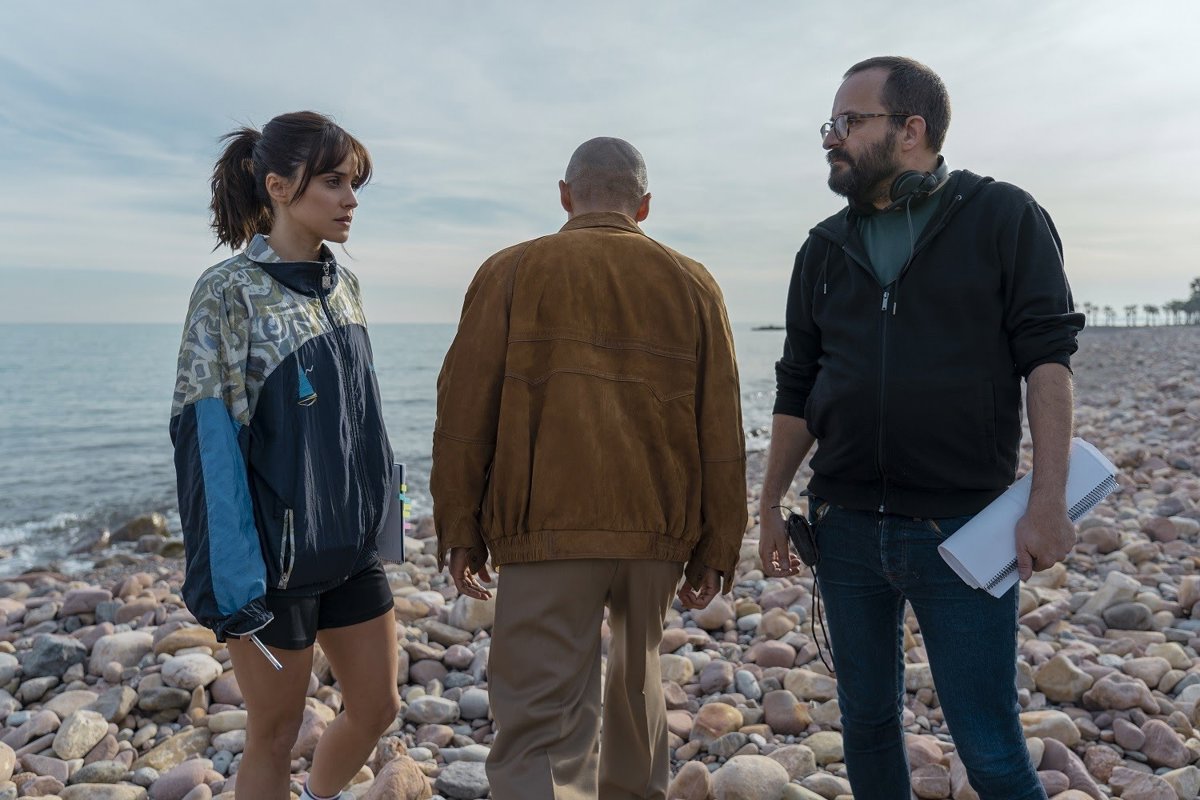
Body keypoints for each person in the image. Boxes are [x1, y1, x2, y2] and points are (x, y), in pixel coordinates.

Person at [758, 57, 1085, 800]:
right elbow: (797, 386)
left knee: (989, 746)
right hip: (842, 527)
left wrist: (1048, 500)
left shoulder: (1004, 217)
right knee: (867, 726)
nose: (831, 139)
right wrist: (771, 501)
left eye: (849, 122)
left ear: (912, 130)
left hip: (963, 527)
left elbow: (1047, 362)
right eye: (830, 124)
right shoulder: (822, 247)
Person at [431, 137, 747, 800]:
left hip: (546, 526)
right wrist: (719, 543)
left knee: (540, 722)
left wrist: (459, 526)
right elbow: (720, 426)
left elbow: (463, 411)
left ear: (565, 195)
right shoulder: (693, 282)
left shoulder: (511, 271)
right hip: (657, 530)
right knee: (638, 690)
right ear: (645, 205)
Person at [170, 111, 400, 800]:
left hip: (350, 547)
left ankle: (319, 796)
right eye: (333, 182)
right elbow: (206, 438)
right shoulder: (227, 292)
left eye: (353, 184)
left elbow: (362, 419)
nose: (350, 200)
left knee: (378, 707)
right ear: (277, 186)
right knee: (273, 734)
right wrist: (227, 578)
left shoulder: (344, 285)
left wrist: (387, 518)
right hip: (273, 564)